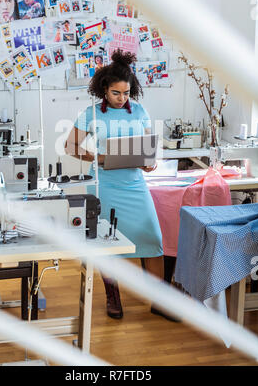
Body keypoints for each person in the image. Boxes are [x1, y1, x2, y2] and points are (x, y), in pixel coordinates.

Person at [65, 49, 167, 321]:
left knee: (153, 239)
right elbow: (70, 146)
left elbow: (147, 149)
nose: (122, 99)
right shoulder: (92, 114)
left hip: (134, 183)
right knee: (107, 243)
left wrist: (150, 162)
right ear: (104, 90)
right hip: (105, 185)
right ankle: (113, 298)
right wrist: (98, 157)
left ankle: (160, 300)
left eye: (126, 93)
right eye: (116, 93)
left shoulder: (140, 111)